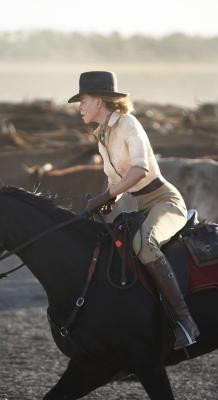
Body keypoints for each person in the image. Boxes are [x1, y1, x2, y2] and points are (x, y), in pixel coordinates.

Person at [68, 71, 200, 350]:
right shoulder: (102, 136)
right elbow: (116, 183)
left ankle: (185, 322)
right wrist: (106, 203)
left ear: (99, 102)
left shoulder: (128, 124)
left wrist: (106, 195)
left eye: (84, 100)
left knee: (144, 245)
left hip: (164, 201)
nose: (80, 107)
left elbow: (139, 171)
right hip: (137, 204)